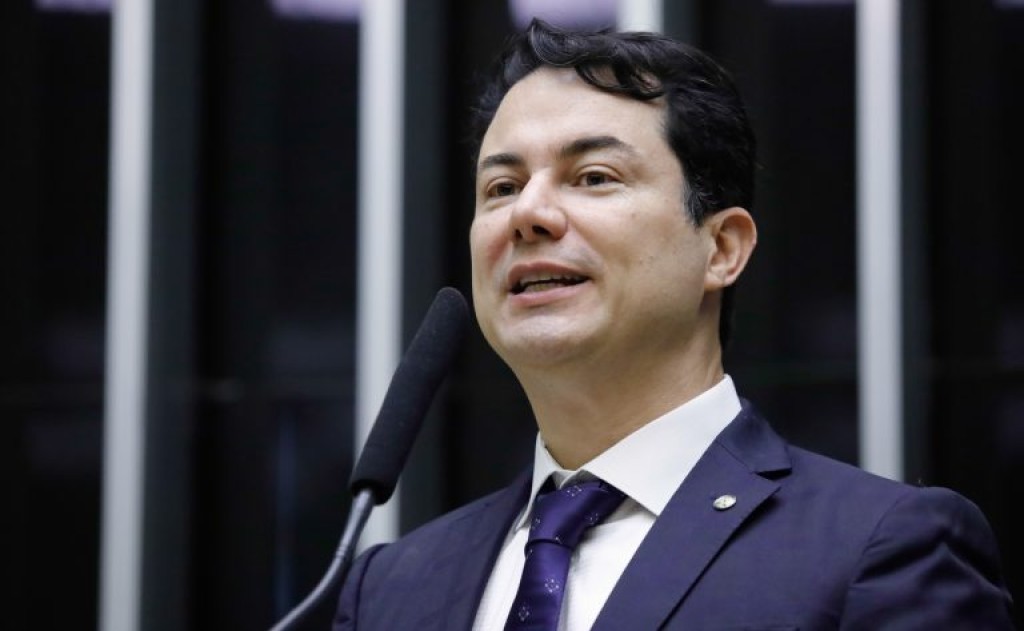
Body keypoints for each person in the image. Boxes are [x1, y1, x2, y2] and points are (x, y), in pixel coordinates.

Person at [333, 19, 1015, 630]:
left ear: (721, 249)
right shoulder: (389, 588)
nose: (528, 214)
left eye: (593, 176)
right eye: (502, 187)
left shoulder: (881, 549)